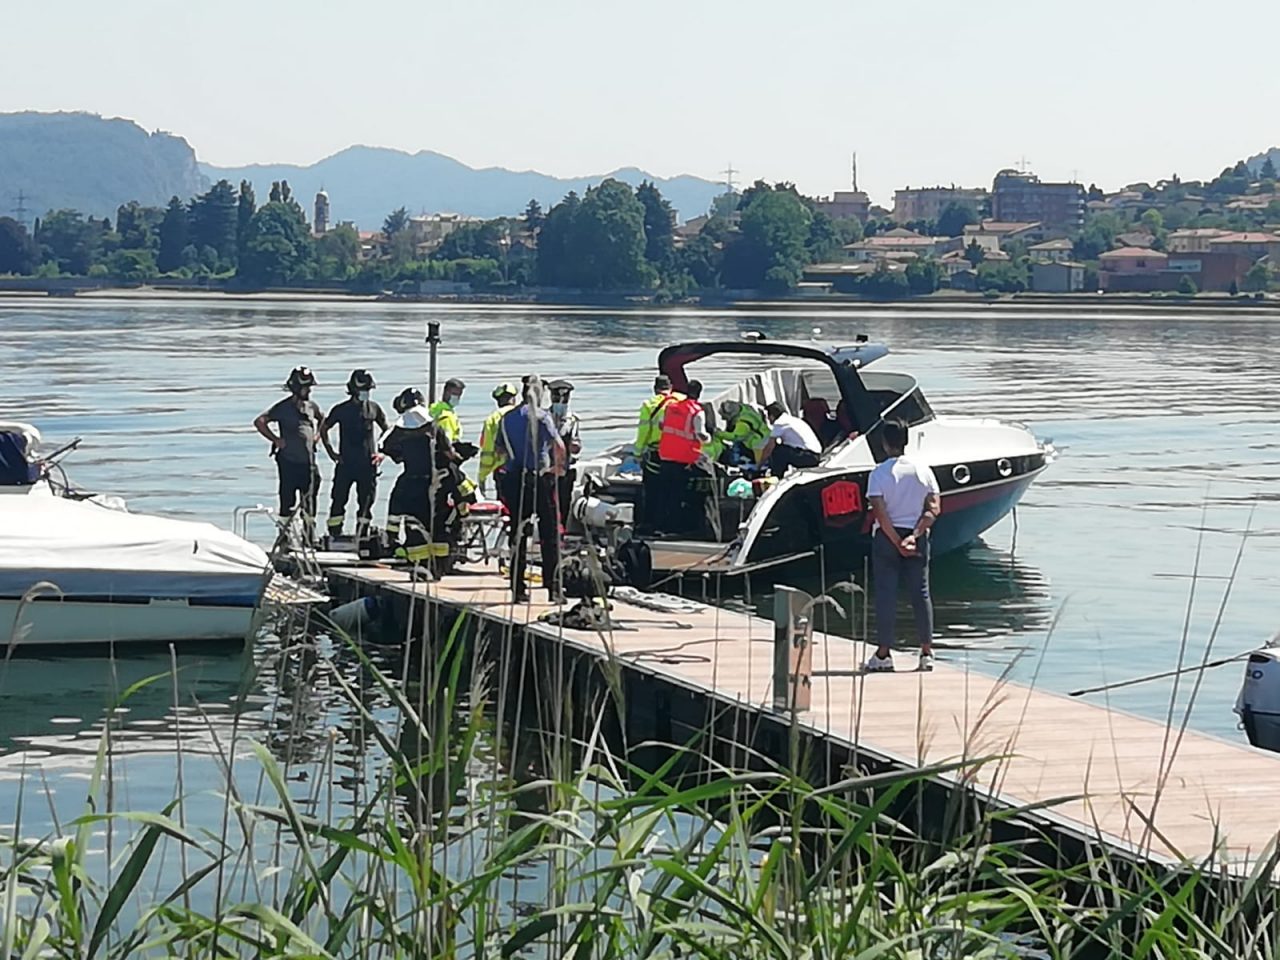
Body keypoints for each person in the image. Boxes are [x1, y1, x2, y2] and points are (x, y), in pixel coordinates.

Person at [863, 419, 941, 673]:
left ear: (886, 444)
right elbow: (934, 509)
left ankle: (884, 654)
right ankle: (926, 653)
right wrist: (914, 536)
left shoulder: (879, 474)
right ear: (906, 441)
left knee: (886, 595)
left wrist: (897, 542)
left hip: (887, 538)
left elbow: (880, 514)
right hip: (917, 536)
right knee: (921, 593)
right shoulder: (924, 471)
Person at [498, 376, 566, 603]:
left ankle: (517, 588)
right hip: (540, 480)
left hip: (515, 480)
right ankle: (554, 589)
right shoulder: (542, 416)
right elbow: (559, 446)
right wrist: (558, 468)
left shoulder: (506, 419)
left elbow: (500, 449)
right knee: (550, 535)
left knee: (517, 534)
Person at [381, 387, 454, 569]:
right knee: (436, 524)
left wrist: (399, 455)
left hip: (411, 480)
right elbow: (448, 451)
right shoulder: (433, 427)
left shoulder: (400, 429)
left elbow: (384, 445)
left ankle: (418, 566)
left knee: (413, 524)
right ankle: (439, 567)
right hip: (432, 483)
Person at [254, 366, 323, 539]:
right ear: (296, 388)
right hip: (289, 463)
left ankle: (309, 536)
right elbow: (260, 422)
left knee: (310, 502)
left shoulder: (311, 406)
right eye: (306, 388)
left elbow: (324, 420)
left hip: (308, 463)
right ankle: (284, 536)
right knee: (287, 501)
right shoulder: (283, 408)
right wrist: (276, 439)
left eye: (310, 387)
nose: (309, 391)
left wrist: (317, 436)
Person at [321, 368, 388, 544]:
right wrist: (331, 452)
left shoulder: (374, 409)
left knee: (366, 501)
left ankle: (363, 533)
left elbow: (387, 431)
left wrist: (381, 452)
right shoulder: (341, 410)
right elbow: (324, 428)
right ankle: (335, 533)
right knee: (338, 499)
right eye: (363, 390)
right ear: (354, 390)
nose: (366, 394)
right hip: (346, 464)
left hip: (368, 464)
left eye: (368, 390)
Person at [657, 378, 718, 537]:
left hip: (665, 455)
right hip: (684, 458)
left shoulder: (670, 407)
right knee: (681, 494)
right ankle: (681, 529)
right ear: (699, 394)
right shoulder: (697, 411)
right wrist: (710, 439)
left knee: (666, 493)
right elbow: (700, 434)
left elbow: (660, 425)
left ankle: (664, 526)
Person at [634, 374, 682, 531]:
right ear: (671, 387)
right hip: (678, 452)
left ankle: (652, 524)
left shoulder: (649, 405)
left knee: (653, 490)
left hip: (657, 453)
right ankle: (673, 524)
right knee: (674, 489)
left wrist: (638, 453)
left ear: (655, 389)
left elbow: (643, 432)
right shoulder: (682, 401)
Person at [547, 378, 581, 525]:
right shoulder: (545, 417)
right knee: (547, 504)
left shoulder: (572, 420)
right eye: (557, 397)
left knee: (564, 501)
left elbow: (576, 443)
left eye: (564, 398)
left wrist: (575, 447)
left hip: (566, 468)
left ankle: (562, 531)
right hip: (548, 468)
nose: (561, 401)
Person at [759, 401, 822, 477]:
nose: (768, 420)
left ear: (772, 415)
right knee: (782, 449)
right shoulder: (794, 420)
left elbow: (769, 448)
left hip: (808, 456)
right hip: (815, 455)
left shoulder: (780, 422)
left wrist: (759, 465)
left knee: (778, 451)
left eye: (768, 417)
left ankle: (776, 477)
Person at [477, 382, 519, 497]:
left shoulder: (492, 419)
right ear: (514, 398)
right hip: (525, 469)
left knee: (506, 507)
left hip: (502, 469)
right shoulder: (522, 414)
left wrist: (482, 476)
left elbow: (487, 449)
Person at [708, 399, 770, 465]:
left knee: (735, 452)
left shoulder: (742, 423)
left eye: (724, 416)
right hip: (765, 435)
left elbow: (736, 437)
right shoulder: (745, 410)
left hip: (757, 443)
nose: (722, 418)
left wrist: (718, 433)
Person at [428, 378, 466, 443]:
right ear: (446, 392)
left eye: (459, 395)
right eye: (454, 394)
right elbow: (447, 440)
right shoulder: (446, 416)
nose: (457, 398)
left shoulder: (434, 408)